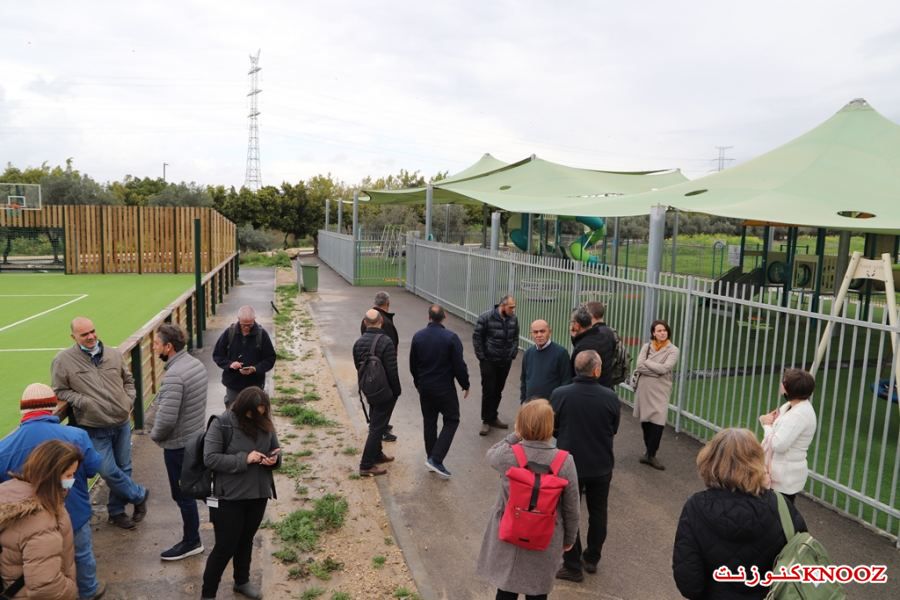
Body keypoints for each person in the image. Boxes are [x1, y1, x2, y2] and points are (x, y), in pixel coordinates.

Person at [673, 428, 807, 600]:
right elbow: (802, 561)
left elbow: (689, 584)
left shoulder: (695, 508)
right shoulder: (781, 506)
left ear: (710, 461)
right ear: (757, 462)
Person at [0, 383, 105, 600]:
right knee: (81, 555)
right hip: (75, 514)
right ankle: (89, 591)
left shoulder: (4, 447)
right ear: (52, 407)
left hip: (25, 525)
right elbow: (93, 468)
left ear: (23, 410)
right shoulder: (77, 435)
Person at [52, 316, 149, 530]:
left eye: (92, 331)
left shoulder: (113, 354)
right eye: (84, 334)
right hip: (93, 426)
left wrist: (128, 400)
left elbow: (128, 380)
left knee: (124, 467)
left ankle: (117, 512)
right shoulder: (63, 360)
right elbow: (60, 390)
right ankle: (139, 495)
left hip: (121, 422)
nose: (91, 336)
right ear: (73, 337)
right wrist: (83, 402)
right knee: (106, 470)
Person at [476, 399, 580, 600]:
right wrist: (569, 539)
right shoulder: (565, 461)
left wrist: (515, 435)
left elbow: (490, 454)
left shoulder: (508, 455)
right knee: (538, 592)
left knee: (506, 589)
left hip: (509, 531)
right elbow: (571, 507)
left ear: (521, 424)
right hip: (546, 537)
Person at [201, 387, 281, 600]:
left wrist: (274, 460)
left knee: (246, 540)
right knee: (225, 547)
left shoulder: (264, 422)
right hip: (230, 497)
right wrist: (244, 459)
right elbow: (210, 458)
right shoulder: (222, 423)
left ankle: (242, 581)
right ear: (243, 408)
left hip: (258, 494)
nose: (258, 417)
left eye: (262, 412)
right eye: (253, 413)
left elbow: (275, 448)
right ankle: (208, 594)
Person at [549, 350, 620, 582]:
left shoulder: (560, 394)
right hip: (601, 464)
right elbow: (614, 428)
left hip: (569, 465)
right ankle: (591, 558)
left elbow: (553, 427)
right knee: (598, 512)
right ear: (597, 370)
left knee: (568, 512)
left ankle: (572, 564)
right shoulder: (610, 397)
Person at [149, 324, 208, 561]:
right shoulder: (195, 364)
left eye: (156, 344)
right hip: (195, 439)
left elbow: (166, 419)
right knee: (199, 489)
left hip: (179, 446)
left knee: (183, 495)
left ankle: (192, 541)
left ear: (168, 347)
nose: (154, 348)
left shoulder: (174, 375)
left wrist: (155, 435)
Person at [0, 439, 83, 600]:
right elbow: (46, 587)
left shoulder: (8, 491)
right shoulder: (42, 520)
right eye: (69, 475)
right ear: (52, 475)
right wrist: (71, 590)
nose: (72, 479)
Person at [409, 304, 470, 478]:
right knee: (452, 419)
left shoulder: (418, 336)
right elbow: (459, 365)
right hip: (444, 388)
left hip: (425, 387)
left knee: (429, 422)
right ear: (445, 317)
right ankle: (436, 459)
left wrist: (418, 383)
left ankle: (431, 458)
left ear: (428, 317)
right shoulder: (451, 338)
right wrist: (465, 384)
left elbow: (413, 364)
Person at [352, 309, 402, 477]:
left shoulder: (358, 343)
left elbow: (358, 367)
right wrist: (396, 391)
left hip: (369, 389)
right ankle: (366, 465)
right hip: (385, 391)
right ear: (381, 322)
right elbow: (392, 370)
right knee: (377, 427)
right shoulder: (386, 342)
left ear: (365, 323)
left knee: (376, 421)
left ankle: (377, 454)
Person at [759, 368, 817, 503]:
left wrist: (766, 425)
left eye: (783, 382)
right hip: (780, 474)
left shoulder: (799, 415)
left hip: (784, 478)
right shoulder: (791, 407)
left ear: (787, 388)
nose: (781, 384)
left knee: (779, 512)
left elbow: (778, 445)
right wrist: (766, 420)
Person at [633, 319, 680, 471]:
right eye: (659, 330)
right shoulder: (646, 347)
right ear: (653, 333)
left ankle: (652, 453)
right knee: (646, 421)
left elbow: (665, 369)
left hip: (661, 389)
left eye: (664, 330)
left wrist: (647, 364)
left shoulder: (673, 350)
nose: (662, 333)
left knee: (658, 421)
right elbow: (639, 366)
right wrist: (656, 370)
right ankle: (648, 453)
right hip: (645, 388)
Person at [212, 305, 277, 406]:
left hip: (255, 385)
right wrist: (230, 365)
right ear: (238, 319)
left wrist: (255, 369)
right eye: (243, 325)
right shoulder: (229, 333)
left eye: (250, 325)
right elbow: (217, 355)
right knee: (233, 412)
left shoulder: (262, 334)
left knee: (253, 412)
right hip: (233, 385)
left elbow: (270, 358)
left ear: (254, 319)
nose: (246, 327)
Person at [473, 295, 519, 436]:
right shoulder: (486, 317)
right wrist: (482, 357)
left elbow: (515, 337)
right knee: (489, 390)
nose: (513, 310)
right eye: (511, 307)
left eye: (514, 307)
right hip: (489, 361)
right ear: (502, 306)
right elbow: (477, 338)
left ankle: (493, 416)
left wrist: (512, 353)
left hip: (505, 361)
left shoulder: (513, 319)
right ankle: (486, 420)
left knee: (498, 390)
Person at [360, 291, 400, 442]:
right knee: (387, 397)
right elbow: (388, 346)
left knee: (375, 396)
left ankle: (378, 424)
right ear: (387, 304)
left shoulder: (368, 317)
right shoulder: (384, 321)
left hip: (370, 365)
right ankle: (379, 429)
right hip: (382, 367)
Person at [520, 319, 571, 404]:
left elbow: (566, 382)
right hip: (530, 405)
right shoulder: (528, 353)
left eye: (542, 331)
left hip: (551, 406)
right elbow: (524, 380)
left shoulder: (561, 353)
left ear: (550, 332)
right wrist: (523, 402)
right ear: (531, 334)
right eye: (535, 332)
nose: (539, 335)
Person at [568, 305, 616, 389]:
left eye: (571, 322)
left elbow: (576, 374)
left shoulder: (582, 347)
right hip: (606, 388)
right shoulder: (603, 336)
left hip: (588, 391)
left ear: (577, 325)